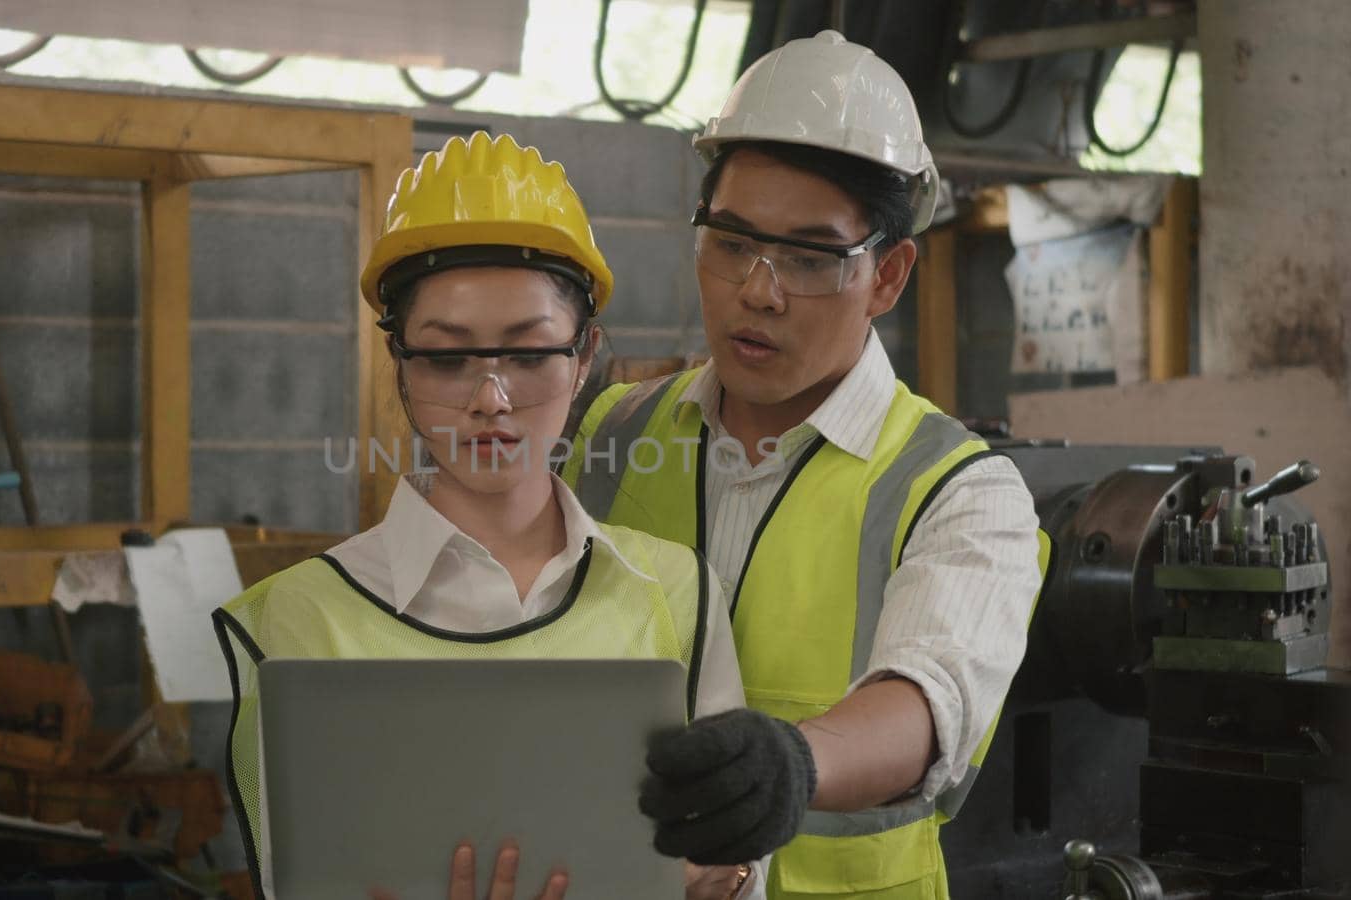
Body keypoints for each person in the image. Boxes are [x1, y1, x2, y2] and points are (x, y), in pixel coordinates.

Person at [213, 132, 768, 900]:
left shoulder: (673, 592)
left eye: (530, 354)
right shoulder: (301, 618)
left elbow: (735, 867)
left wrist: (726, 877)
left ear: (584, 358)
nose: (490, 399)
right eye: (446, 357)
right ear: (398, 364)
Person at [561, 32, 1050, 900]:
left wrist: (795, 763)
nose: (758, 289)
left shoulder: (960, 491)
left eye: (809, 257)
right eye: (732, 241)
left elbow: (929, 698)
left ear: (889, 275)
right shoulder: (613, 433)